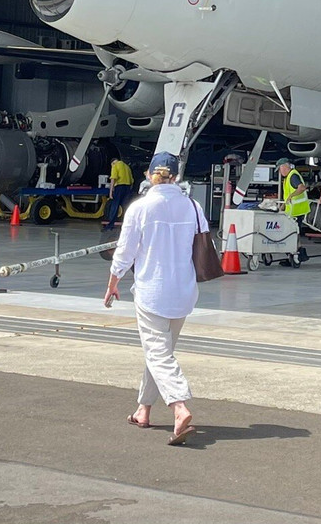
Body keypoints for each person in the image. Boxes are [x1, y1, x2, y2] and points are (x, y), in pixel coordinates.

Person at [104, 151, 201, 446]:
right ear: (177, 177)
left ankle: (179, 406)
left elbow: (125, 252)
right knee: (159, 350)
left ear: (149, 175)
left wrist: (112, 283)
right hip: (184, 291)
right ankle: (143, 410)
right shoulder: (193, 206)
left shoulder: (140, 208)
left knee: (158, 352)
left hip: (152, 292)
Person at [103, 155, 135, 231]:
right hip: (127, 188)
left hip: (119, 187)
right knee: (125, 207)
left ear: (112, 163)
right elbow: (132, 181)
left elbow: (113, 179)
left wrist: (111, 192)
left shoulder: (115, 165)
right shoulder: (127, 167)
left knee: (115, 206)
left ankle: (110, 226)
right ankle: (128, 224)